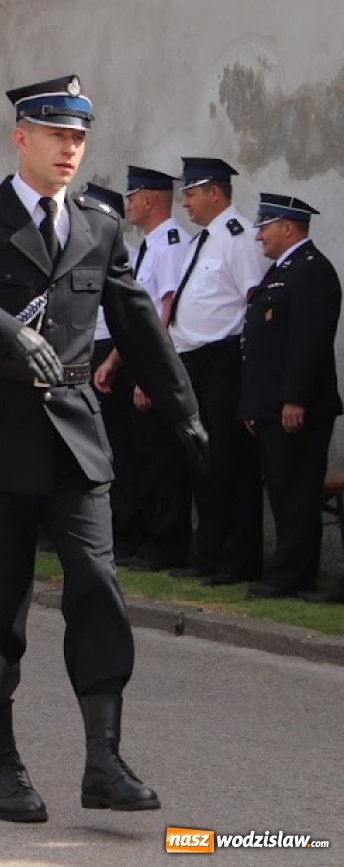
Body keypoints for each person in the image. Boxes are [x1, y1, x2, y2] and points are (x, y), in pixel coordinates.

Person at [0, 75, 208, 823]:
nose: (70, 148)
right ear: (20, 138)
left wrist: (186, 414)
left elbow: (138, 323)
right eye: (56, 134)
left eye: (79, 137)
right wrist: (0, 326)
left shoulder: (98, 223)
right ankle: (2, 763)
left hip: (74, 431)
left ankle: (104, 759)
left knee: (97, 584)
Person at [165, 157, 267, 587]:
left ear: (215, 192)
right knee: (201, 461)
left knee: (230, 462)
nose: (185, 202)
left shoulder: (238, 237)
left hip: (223, 361)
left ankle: (237, 560)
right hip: (192, 362)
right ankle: (210, 554)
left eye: (191, 193)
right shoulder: (200, 240)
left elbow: (254, 303)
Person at [240, 195, 341, 599]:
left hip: (297, 406)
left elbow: (309, 343)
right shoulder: (284, 269)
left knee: (297, 492)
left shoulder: (311, 270)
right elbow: (262, 345)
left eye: (265, 227)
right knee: (282, 491)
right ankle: (289, 570)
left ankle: (292, 574)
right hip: (272, 404)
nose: (258, 236)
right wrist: (254, 404)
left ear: (288, 227)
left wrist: (294, 398)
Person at [102, 166, 195, 571]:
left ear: (149, 199)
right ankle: (145, 538)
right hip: (137, 361)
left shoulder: (170, 243)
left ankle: (167, 543)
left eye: (132, 197)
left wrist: (149, 372)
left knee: (163, 460)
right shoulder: (148, 246)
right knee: (142, 457)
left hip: (157, 366)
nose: (128, 205)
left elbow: (167, 312)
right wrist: (115, 361)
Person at [77, 184, 141, 557]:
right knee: (85, 447)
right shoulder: (78, 250)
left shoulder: (124, 255)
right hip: (82, 350)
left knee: (115, 446)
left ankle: (125, 529)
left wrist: (112, 360)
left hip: (110, 351)